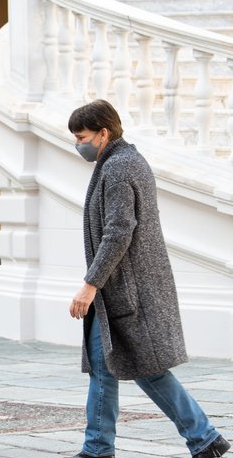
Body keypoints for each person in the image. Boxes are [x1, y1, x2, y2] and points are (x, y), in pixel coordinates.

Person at [66, 99, 229, 458]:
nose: (78, 144)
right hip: (124, 289)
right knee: (118, 368)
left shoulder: (120, 168)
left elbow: (119, 231)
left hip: (125, 292)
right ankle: (201, 439)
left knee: (134, 369)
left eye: (82, 137)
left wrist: (90, 285)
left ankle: (103, 448)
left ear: (103, 133)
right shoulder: (121, 161)